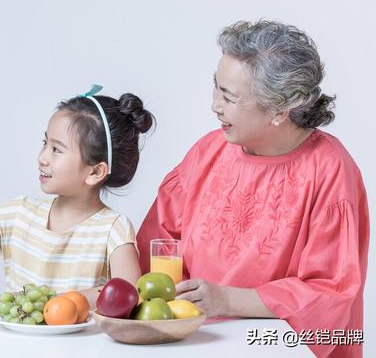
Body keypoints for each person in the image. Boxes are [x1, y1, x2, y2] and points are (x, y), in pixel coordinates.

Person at [136, 20, 369, 358]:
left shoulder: (330, 170)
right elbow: (158, 246)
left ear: (279, 110)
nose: (214, 104)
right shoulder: (208, 152)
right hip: (195, 343)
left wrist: (226, 299)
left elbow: (331, 293)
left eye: (229, 97)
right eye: (216, 87)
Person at [0, 86, 153, 305]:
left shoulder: (112, 228)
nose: (42, 157)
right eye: (45, 143)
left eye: (57, 149)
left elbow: (130, 291)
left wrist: (53, 302)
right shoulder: (20, 214)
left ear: (95, 172)